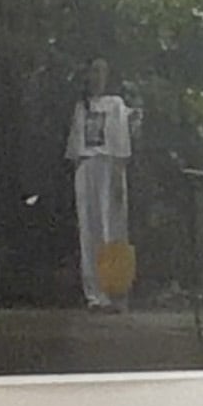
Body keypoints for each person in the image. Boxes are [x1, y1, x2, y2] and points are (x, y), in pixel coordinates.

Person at [64, 57, 136, 309]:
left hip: (109, 166)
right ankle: (94, 294)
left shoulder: (115, 104)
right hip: (87, 168)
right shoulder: (81, 107)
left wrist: (117, 176)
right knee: (89, 229)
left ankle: (115, 291)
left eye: (101, 71)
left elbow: (120, 143)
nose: (96, 76)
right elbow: (75, 148)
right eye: (93, 71)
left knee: (112, 228)